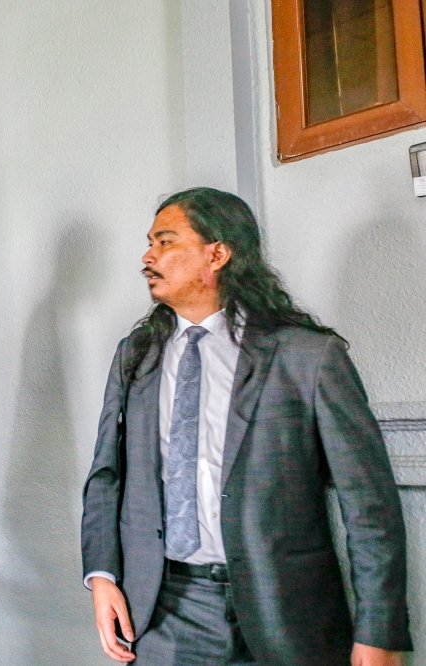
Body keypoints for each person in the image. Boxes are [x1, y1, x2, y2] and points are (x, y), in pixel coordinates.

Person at [81, 187, 412, 665]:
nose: (148, 256)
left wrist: (379, 632)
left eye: (166, 242)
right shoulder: (135, 355)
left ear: (217, 253)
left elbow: (369, 504)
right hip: (165, 612)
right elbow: (105, 476)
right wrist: (103, 576)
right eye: (150, 242)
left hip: (288, 614)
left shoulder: (308, 357)